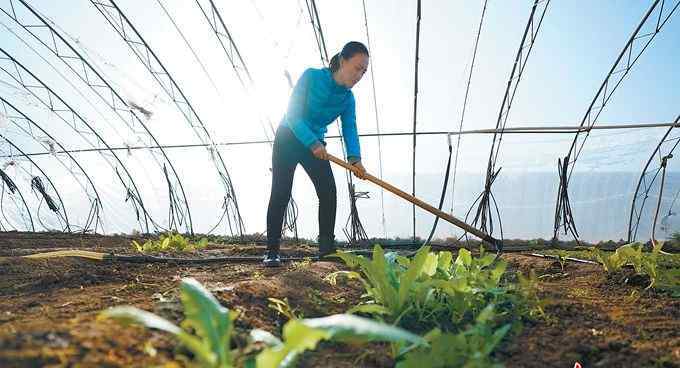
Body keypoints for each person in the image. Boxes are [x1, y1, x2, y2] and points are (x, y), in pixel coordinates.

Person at [264, 41, 370, 267]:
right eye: (357, 68)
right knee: (281, 192)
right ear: (343, 61)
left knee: (328, 191)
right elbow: (292, 114)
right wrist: (312, 143)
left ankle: (326, 250)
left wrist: (355, 159)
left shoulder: (347, 98)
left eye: (364, 71)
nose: (360, 75)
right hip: (288, 137)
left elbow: (350, 128)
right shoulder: (311, 77)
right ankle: (272, 250)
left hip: (315, 144)